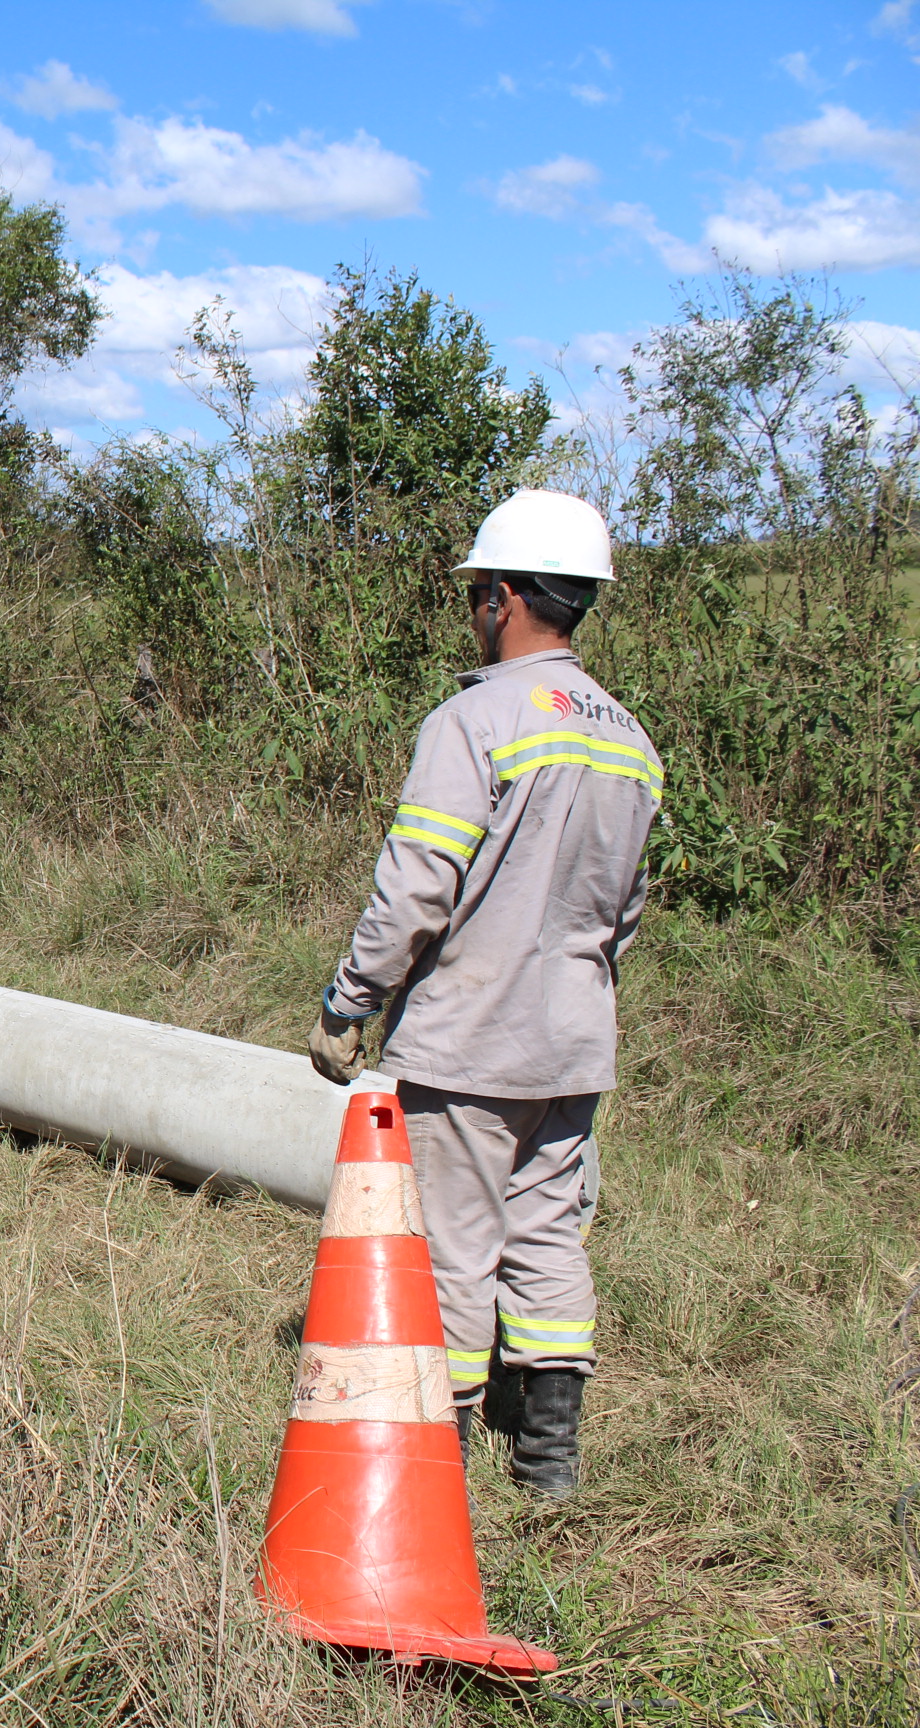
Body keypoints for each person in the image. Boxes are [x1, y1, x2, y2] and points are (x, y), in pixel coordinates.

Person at [308, 490, 659, 1499]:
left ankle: (438, 1473)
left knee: (451, 1250)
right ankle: (548, 1465)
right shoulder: (630, 742)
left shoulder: (474, 721)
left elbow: (419, 884)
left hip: (470, 1041)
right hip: (573, 1037)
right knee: (547, 1232)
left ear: (505, 598)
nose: (475, 610)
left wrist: (349, 1004)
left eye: (478, 595)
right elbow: (622, 914)